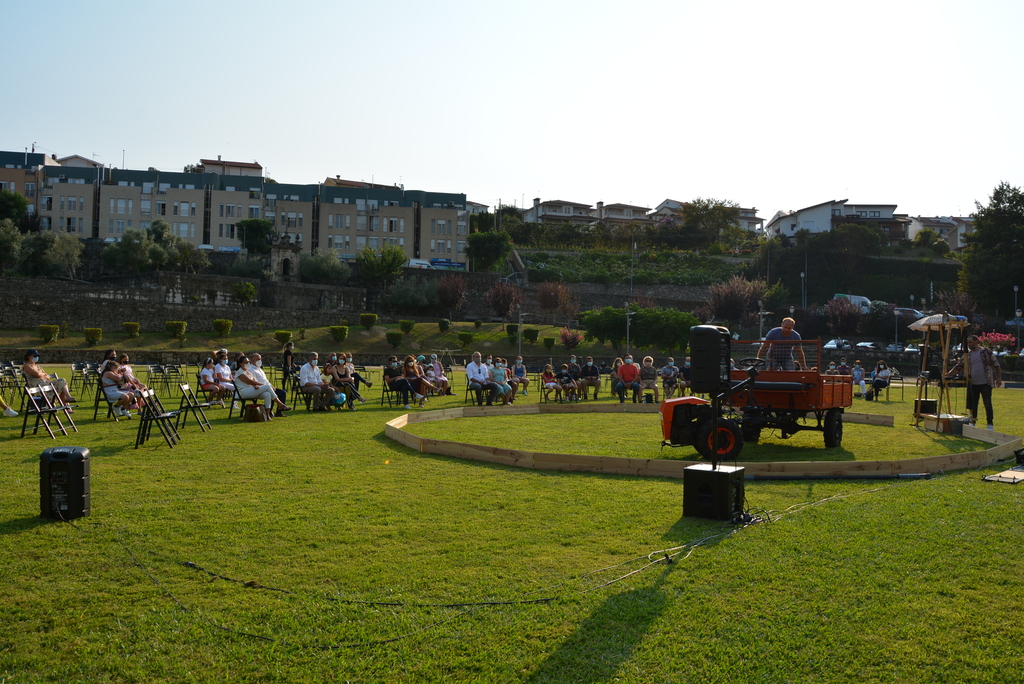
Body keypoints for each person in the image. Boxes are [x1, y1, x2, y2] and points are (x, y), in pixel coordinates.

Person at [946, 334, 1002, 430]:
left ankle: (990, 424)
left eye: (970, 342)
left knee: (987, 404)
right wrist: (949, 374)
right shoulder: (967, 355)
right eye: (968, 343)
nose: (969, 344)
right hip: (973, 383)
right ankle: (973, 422)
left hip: (986, 383)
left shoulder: (986, 352)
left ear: (976, 342)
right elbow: (959, 366)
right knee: (973, 404)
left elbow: (996, 365)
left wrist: (999, 378)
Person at [233, 355, 282, 420]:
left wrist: (256, 385)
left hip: (251, 390)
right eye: (246, 362)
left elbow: (254, 381)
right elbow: (249, 381)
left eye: (248, 362)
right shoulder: (240, 372)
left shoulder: (248, 371)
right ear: (241, 364)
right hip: (244, 392)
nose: (248, 364)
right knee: (267, 386)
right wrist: (261, 384)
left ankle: (267, 415)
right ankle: (280, 404)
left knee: (267, 394)